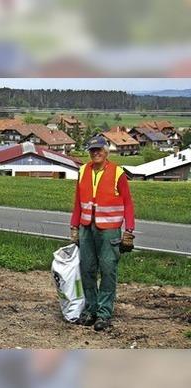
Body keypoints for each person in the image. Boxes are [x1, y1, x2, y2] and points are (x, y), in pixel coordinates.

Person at [70, 136, 135, 332]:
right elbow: (77, 201)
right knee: (87, 269)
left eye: (99, 150)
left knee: (108, 270)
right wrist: (74, 226)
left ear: (106, 151)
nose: (95, 153)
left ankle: (104, 313)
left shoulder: (118, 173)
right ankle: (90, 309)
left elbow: (128, 203)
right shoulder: (83, 171)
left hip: (109, 230)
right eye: (92, 150)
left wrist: (129, 230)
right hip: (86, 229)